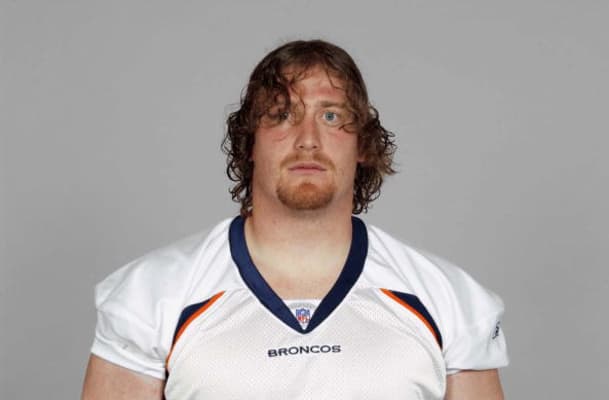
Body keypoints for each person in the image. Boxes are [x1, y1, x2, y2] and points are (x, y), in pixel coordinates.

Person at [81, 39, 508, 399]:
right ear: (250, 142)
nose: (308, 140)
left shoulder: (450, 300)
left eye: (331, 116)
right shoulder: (151, 296)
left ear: (362, 144)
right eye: (282, 115)